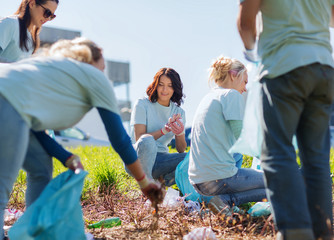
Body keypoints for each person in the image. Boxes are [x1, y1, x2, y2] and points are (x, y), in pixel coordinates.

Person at [0, 37, 163, 240]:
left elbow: (33, 128)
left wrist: (66, 157)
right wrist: (144, 182)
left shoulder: (50, 70)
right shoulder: (93, 76)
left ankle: (37, 233)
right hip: (6, 102)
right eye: (102, 68)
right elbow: (119, 138)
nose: (103, 74)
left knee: (40, 168)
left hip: (11, 103)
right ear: (90, 60)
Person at [238, 1, 334, 239]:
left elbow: (245, 23)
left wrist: (252, 53)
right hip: (323, 68)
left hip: (284, 66)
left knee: (278, 153)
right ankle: (323, 232)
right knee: (317, 159)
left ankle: (296, 232)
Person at [188, 55, 267, 215]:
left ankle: (223, 202)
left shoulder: (209, 97)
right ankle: (226, 201)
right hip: (218, 179)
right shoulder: (231, 95)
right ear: (233, 75)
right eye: (244, 81)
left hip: (199, 181)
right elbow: (243, 139)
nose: (245, 88)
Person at [129, 68, 187, 186]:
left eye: (170, 86)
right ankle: (147, 187)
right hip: (137, 159)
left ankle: (160, 187)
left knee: (191, 158)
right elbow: (139, 138)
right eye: (161, 85)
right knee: (147, 140)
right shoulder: (142, 104)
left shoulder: (178, 112)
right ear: (155, 85)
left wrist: (179, 133)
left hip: (161, 160)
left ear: (175, 88)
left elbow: (181, 149)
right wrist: (163, 130)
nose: (165, 90)